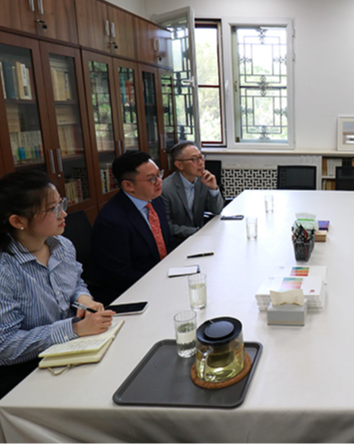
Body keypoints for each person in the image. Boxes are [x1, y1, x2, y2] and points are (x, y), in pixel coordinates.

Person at [0, 170, 114, 398]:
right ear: (18, 221)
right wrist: (74, 329)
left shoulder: (62, 245)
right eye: (52, 209)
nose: (63, 213)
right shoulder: (5, 270)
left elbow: (75, 281)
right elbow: (5, 346)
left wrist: (83, 298)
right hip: (29, 374)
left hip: (73, 351)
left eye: (61, 203)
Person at [91, 151, 173, 304]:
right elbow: (120, 275)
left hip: (162, 276)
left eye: (159, 174)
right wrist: (162, 281)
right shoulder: (112, 221)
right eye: (152, 179)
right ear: (128, 185)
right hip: (134, 292)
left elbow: (166, 242)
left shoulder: (154, 200)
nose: (159, 181)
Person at [162, 141, 224, 246]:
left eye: (201, 157)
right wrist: (198, 232)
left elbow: (217, 210)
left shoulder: (203, 181)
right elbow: (167, 227)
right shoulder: (165, 189)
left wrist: (213, 189)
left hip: (200, 240)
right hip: (177, 244)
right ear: (179, 165)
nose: (201, 163)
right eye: (194, 159)